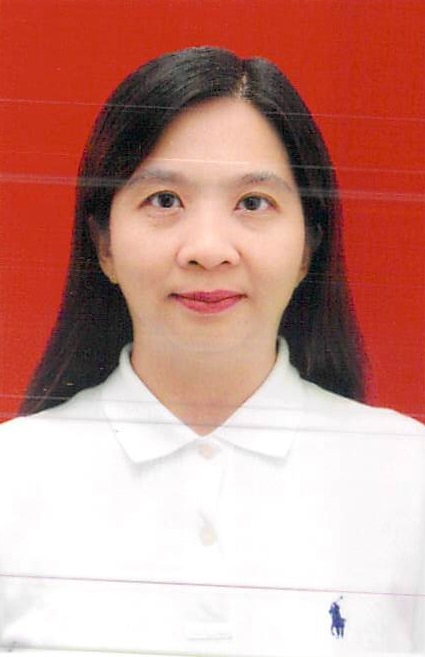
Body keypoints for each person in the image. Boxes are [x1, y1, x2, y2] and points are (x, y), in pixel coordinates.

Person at [0, 46, 424, 655]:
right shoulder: (13, 478)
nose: (207, 249)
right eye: (164, 200)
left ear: (309, 246)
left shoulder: (407, 478)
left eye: (253, 203)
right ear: (105, 244)